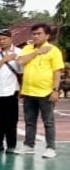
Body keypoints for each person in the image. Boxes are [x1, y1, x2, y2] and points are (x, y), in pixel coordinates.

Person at [14, 23, 62, 158]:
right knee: (29, 121)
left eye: (39, 33)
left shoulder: (54, 50)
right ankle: (29, 145)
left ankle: (50, 148)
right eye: (34, 34)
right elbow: (20, 61)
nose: (35, 36)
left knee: (48, 122)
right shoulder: (27, 48)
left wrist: (55, 90)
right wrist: (37, 52)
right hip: (28, 92)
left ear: (47, 36)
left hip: (46, 92)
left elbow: (57, 72)